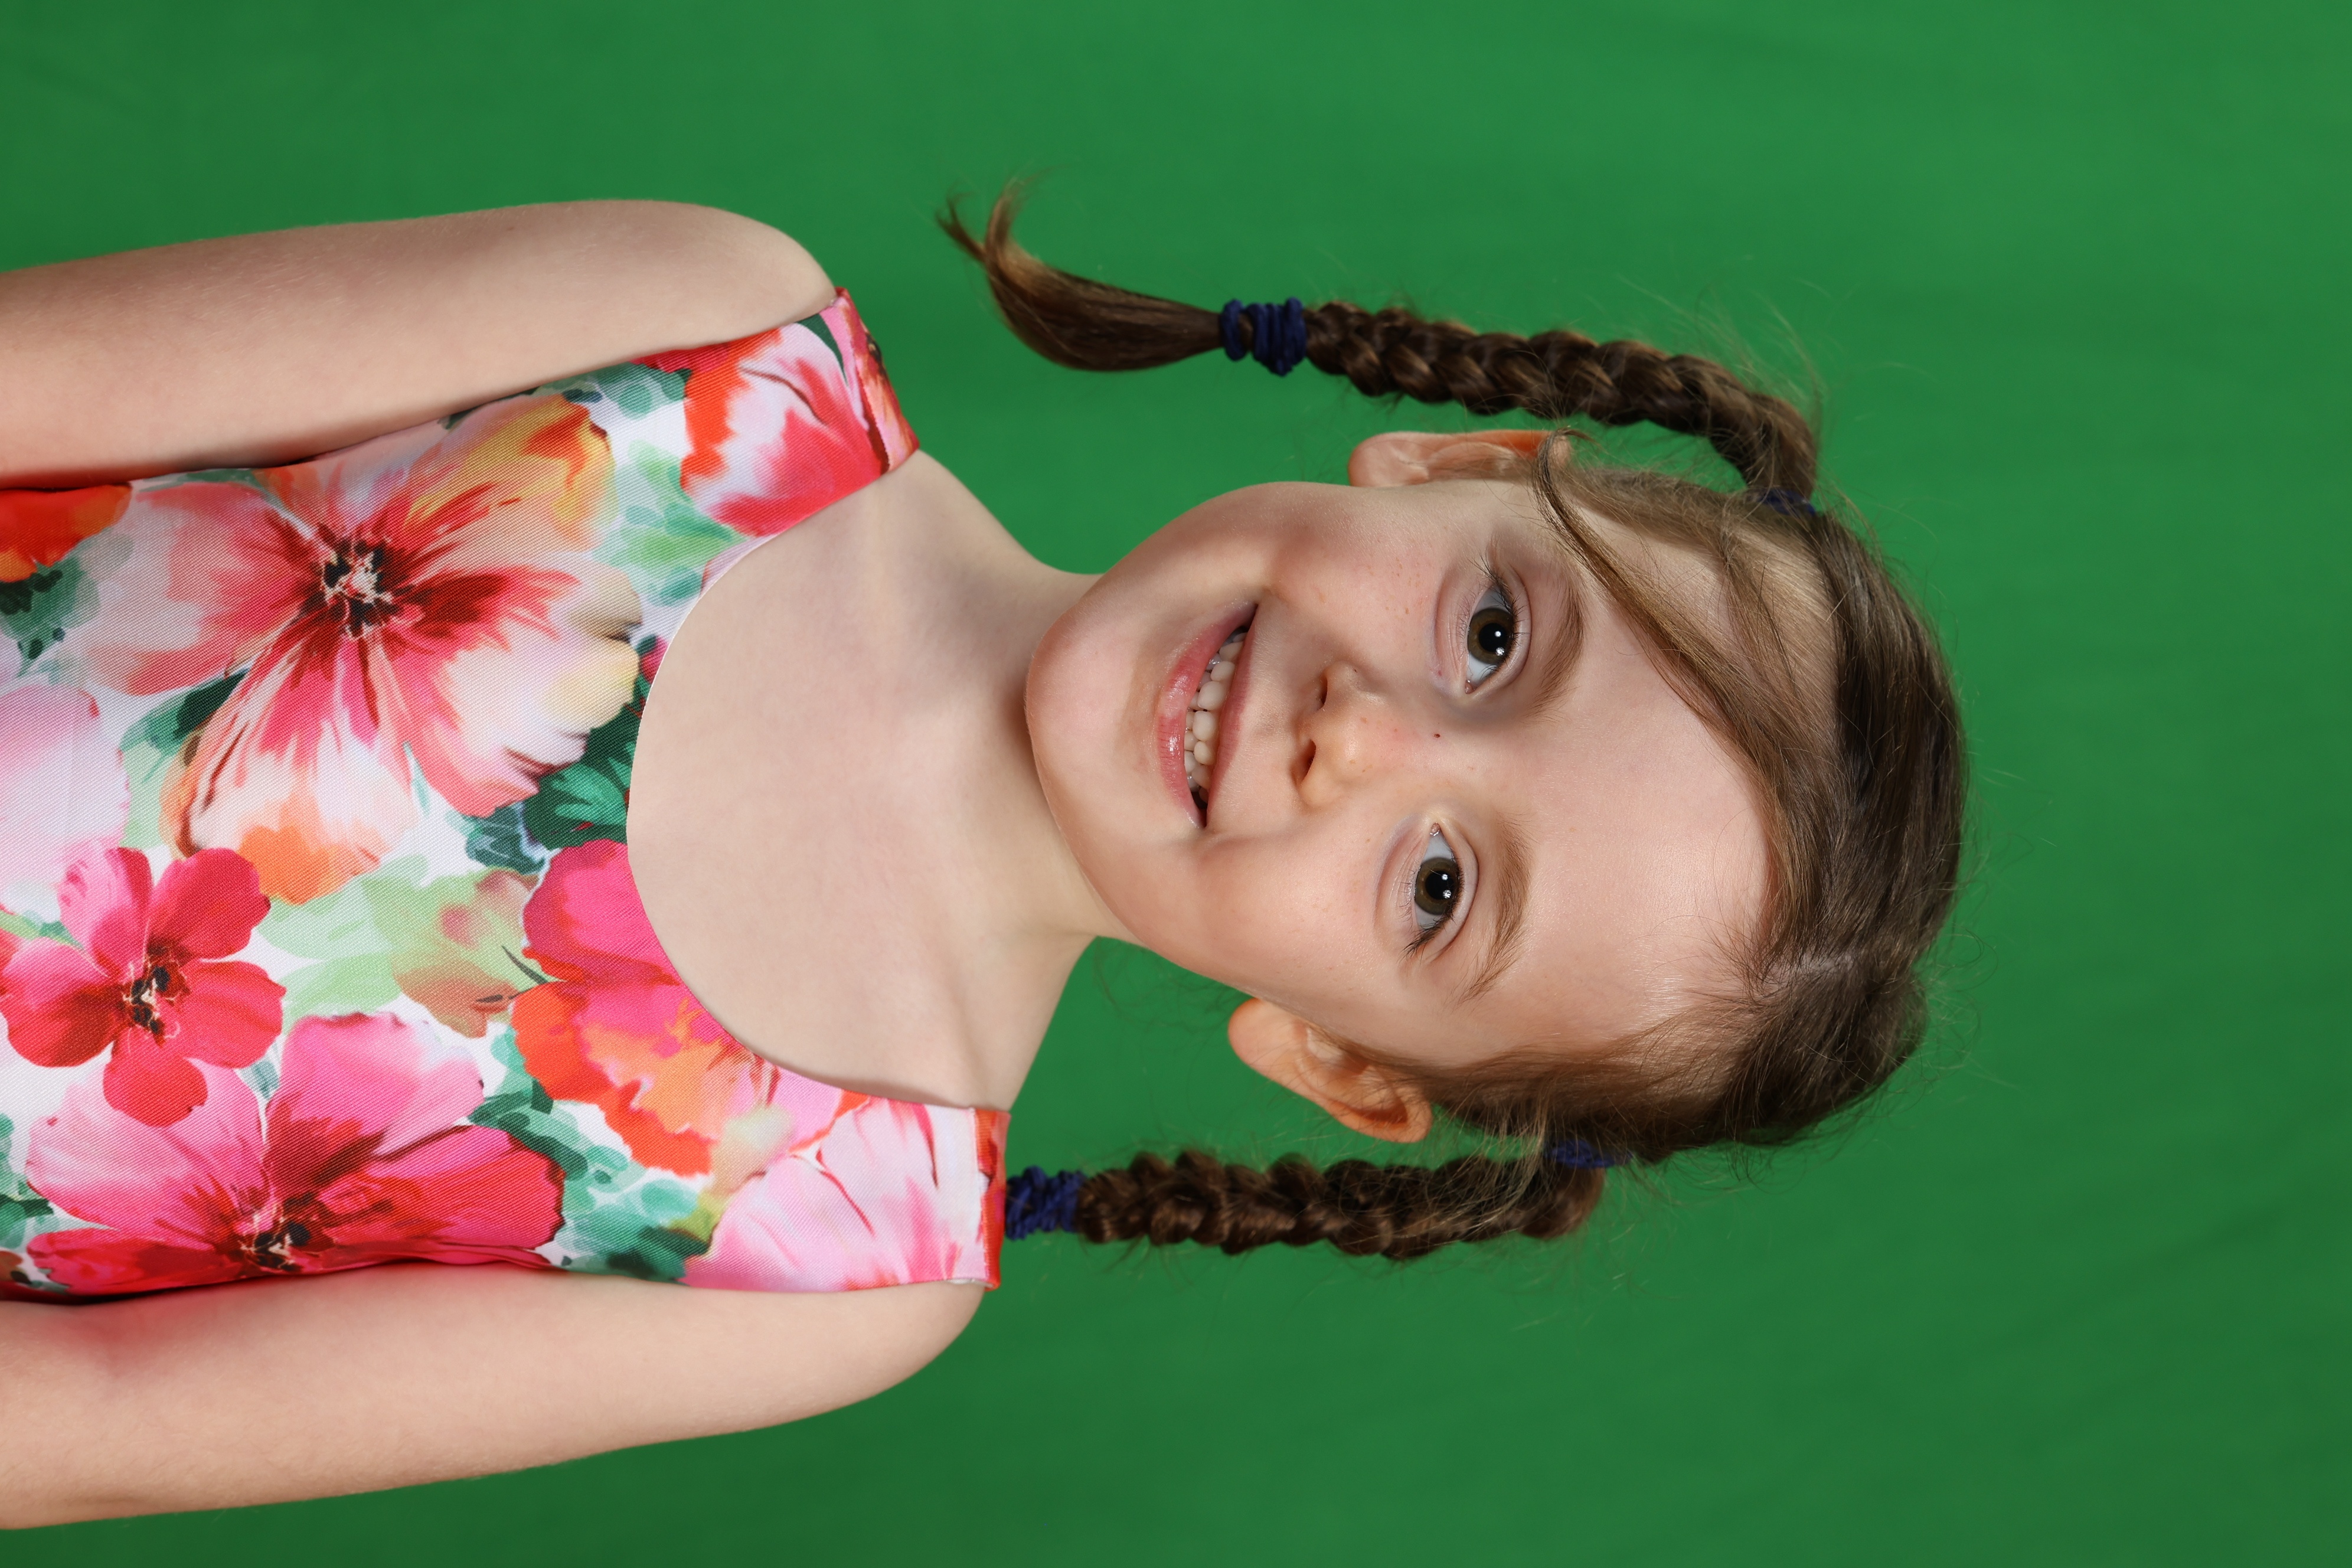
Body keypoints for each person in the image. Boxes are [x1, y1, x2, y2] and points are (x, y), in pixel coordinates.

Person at [0, 195, 1963, 1525]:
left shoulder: (840, 1265)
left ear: (1344, 1061)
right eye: (1496, 636)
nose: (1360, 736)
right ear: (1459, 468)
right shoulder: (709, 343)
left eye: (1441, 886)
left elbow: (104, 1422)